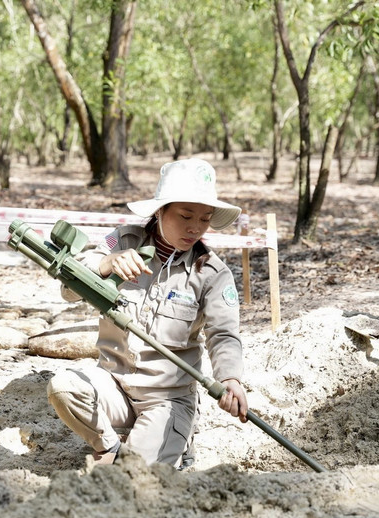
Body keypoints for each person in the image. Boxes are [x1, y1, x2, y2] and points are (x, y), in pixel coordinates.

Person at [47, 157, 248, 469]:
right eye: (185, 215)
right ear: (160, 211)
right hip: (113, 385)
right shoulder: (123, 241)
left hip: (166, 400)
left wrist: (231, 379)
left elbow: (223, 334)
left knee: (135, 475)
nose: (195, 227)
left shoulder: (211, 272)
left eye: (205, 219)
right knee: (64, 386)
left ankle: (168, 440)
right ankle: (111, 445)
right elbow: (68, 290)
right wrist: (105, 264)